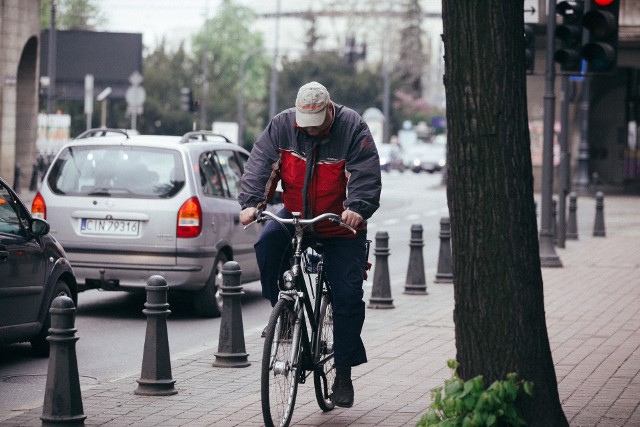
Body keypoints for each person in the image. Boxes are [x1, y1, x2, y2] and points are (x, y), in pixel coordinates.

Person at [238, 81, 382, 408]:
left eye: (317, 126)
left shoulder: (352, 128)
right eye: (306, 127)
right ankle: (284, 312)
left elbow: (366, 174)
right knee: (267, 243)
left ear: (330, 111)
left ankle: (342, 373)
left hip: (340, 221)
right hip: (298, 214)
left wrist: (358, 208)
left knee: (347, 297)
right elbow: (260, 165)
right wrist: (251, 202)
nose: (312, 132)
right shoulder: (282, 126)